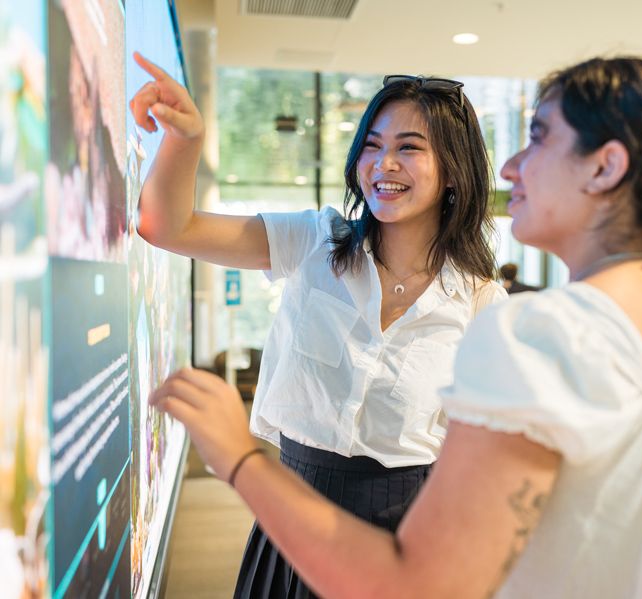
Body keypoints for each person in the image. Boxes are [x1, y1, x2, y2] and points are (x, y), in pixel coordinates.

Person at [149, 56, 642, 598]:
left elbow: (413, 582)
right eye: (374, 146)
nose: (510, 167)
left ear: (606, 165)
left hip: (396, 526)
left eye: (536, 138)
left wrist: (236, 455)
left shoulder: (529, 328)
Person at [129, 53, 506, 598]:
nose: (384, 164)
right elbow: (167, 226)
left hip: (409, 527)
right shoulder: (313, 242)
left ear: (453, 171)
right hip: (291, 507)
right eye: (372, 146)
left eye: (408, 148)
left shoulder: (479, 302)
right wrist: (184, 139)